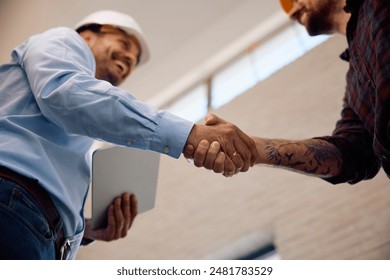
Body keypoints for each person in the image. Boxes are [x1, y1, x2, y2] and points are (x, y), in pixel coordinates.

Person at [0, 10, 258, 260]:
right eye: (123, 43)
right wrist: (189, 134)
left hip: (38, 231)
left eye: (134, 61)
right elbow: (63, 94)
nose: (128, 60)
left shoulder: (81, 126)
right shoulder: (65, 39)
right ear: (88, 35)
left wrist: (87, 229)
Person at [187, 0, 390, 184]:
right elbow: (350, 154)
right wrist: (252, 148)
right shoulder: (355, 84)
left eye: (293, 0)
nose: (292, 13)